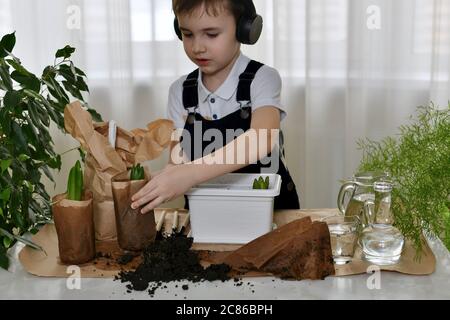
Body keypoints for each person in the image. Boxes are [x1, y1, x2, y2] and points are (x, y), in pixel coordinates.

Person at [131, 0, 299, 213]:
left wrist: (190, 174)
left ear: (244, 29)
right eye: (188, 34)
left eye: (211, 34)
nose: (197, 47)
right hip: (209, 212)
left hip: (271, 212)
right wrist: (163, 180)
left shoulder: (263, 79)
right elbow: (178, 159)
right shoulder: (179, 91)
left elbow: (260, 140)